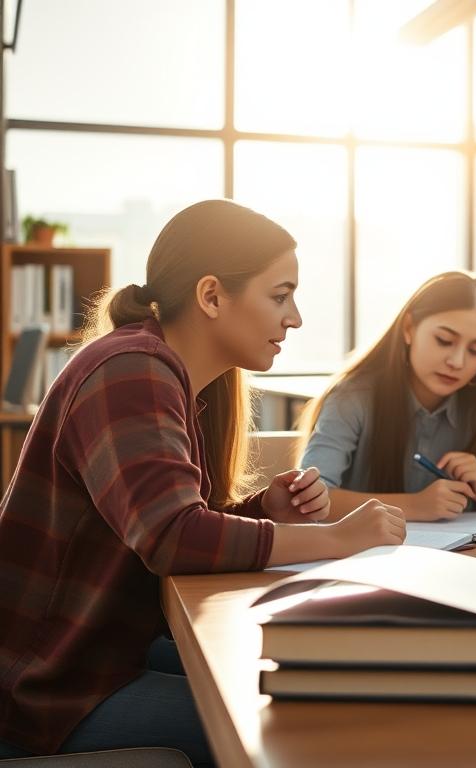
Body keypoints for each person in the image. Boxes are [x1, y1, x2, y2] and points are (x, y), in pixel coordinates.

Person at [0, 200, 406, 763]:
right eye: (280, 295)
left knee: (294, 682)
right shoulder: (131, 369)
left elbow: (172, 525)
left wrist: (267, 511)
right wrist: (340, 537)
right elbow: (172, 538)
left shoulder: (163, 373)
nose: (295, 318)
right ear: (212, 296)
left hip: (99, 659)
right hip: (48, 689)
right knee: (298, 721)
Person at [299, 272, 476, 519]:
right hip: (365, 556)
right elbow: (309, 498)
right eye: (444, 340)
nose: (457, 361)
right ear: (408, 329)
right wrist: (415, 505)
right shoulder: (352, 398)